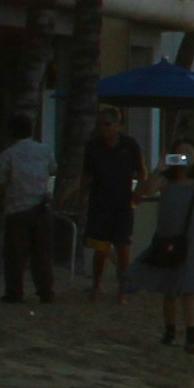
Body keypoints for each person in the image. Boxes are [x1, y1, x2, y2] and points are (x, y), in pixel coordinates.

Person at [140, 147, 194, 350]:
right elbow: (146, 191)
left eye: (188, 154)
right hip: (167, 241)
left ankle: (192, 335)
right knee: (169, 290)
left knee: (190, 290)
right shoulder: (166, 181)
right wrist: (159, 168)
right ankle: (170, 331)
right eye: (179, 154)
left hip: (192, 244)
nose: (183, 158)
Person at [78, 105, 143, 300]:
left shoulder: (130, 145)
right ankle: (97, 284)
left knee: (123, 249)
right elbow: (86, 174)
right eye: (101, 125)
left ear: (118, 125)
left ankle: (121, 290)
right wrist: (82, 197)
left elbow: (142, 171)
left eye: (107, 124)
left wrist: (138, 192)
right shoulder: (93, 146)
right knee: (100, 249)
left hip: (122, 203)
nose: (104, 128)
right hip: (100, 203)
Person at [0, 119, 57, 305]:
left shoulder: (8, 154)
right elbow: (52, 170)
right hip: (41, 207)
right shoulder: (44, 150)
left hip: (17, 209)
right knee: (42, 253)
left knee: (15, 254)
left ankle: (14, 293)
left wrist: (0, 206)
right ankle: (45, 292)